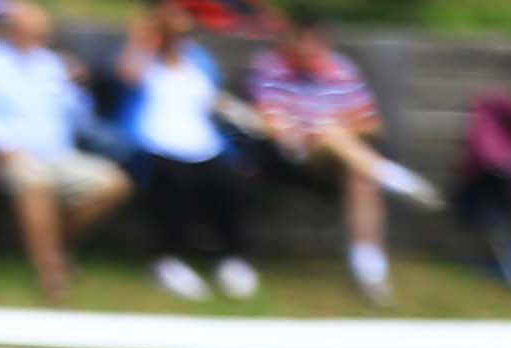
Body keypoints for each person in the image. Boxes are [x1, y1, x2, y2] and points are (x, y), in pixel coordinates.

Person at [0, 0, 125, 299]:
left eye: (43, 33)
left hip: (59, 155)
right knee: (35, 182)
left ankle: (54, 248)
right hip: (8, 154)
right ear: (11, 31)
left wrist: (78, 85)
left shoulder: (51, 64)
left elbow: (78, 117)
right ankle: (51, 272)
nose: (40, 39)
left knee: (114, 185)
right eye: (34, 32)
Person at [244, 3, 392, 303]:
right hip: (288, 156)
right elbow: (268, 120)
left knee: (359, 174)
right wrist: (308, 132)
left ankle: (369, 268)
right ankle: (392, 177)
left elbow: (372, 124)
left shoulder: (341, 69)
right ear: (291, 40)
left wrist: (338, 130)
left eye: (316, 42)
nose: (310, 49)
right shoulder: (269, 67)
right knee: (344, 149)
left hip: (336, 156)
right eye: (303, 41)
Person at [112, 1, 250, 299]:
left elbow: (214, 99)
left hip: (203, 144)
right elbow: (127, 74)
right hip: (155, 145)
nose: (179, 38)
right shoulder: (142, 58)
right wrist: (145, 36)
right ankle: (168, 260)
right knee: (175, 179)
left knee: (230, 181)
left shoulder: (197, 61)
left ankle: (230, 259)